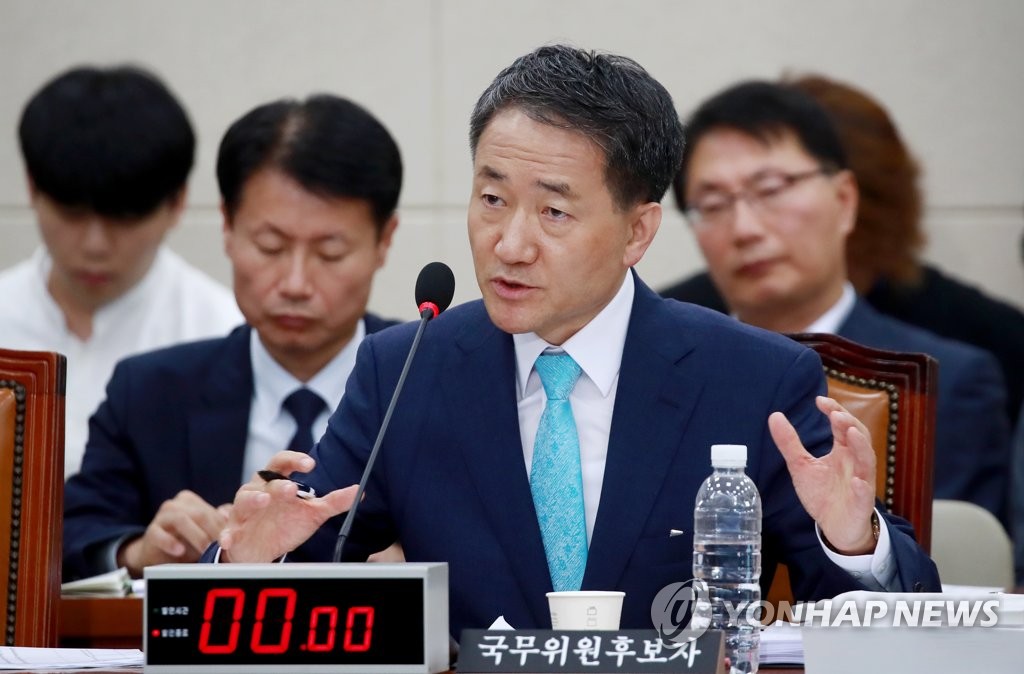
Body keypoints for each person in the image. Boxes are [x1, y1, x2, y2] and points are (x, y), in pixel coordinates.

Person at [209, 45, 939, 635]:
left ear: (637, 231)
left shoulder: (752, 379)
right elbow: (304, 566)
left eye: (554, 212)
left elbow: (891, 624)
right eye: (491, 199)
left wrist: (854, 540)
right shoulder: (405, 370)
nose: (509, 244)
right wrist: (245, 559)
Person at [62, 94, 402, 580]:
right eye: (270, 246)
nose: (295, 284)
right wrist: (138, 553)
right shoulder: (150, 392)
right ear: (227, 227)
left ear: (384, 241)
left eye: (329, 253)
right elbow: (69, 542)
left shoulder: (431, 380)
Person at [670, 80, 1011, 528]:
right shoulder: (667, 367)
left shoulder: (946, 383)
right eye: (713, 204)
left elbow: (945, 564)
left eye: (770, 189)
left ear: (845, 200)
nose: (745, 229)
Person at [0, 65, 241, 477]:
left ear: (177, 203)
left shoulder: (221, 333)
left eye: (124, 218)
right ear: (32, 188)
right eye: (72, 213)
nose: (95, 245)